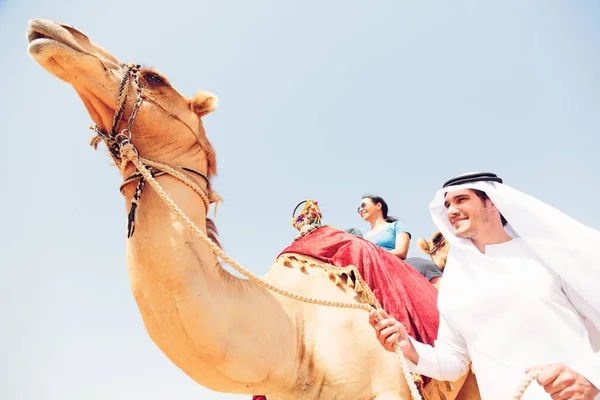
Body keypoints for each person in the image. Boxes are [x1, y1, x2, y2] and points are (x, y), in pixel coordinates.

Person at [369, 172, 600, 400]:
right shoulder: (454, 280)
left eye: (462, 200)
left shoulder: (546, 255)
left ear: (491, 202)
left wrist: (590, 379)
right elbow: (455, 360)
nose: (451, 210)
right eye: (447, 204)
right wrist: (408, 346)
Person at [358, 195, 443, 287]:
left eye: (363, 205)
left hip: (395, 263)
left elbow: (401, 252)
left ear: (378, 206)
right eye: (358, 209)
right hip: (373, 268)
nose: (360, 210)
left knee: (425, 266)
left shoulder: (396, 225)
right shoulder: (363, 237)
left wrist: (375, 255)